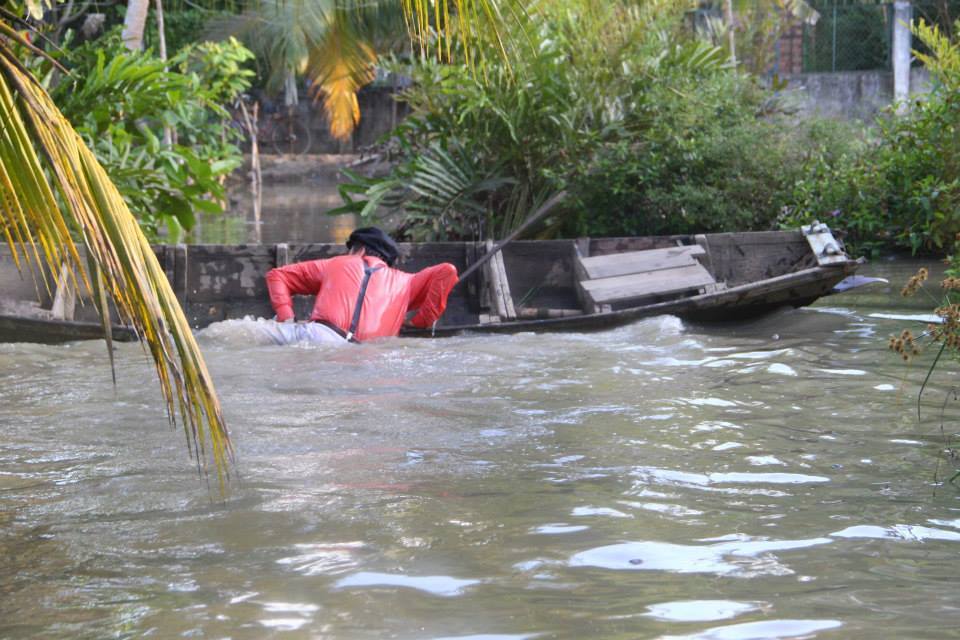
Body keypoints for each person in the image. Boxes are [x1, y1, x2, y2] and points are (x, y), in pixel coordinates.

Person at [262, 227, 458, 345]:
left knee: (243, 333)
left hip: (317, 338)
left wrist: (286, 318)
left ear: (360, 250)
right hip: (369, 354)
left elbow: (277, 275)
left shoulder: (337, 263)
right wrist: (420, 322)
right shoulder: (405, 281)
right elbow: (447, 271)